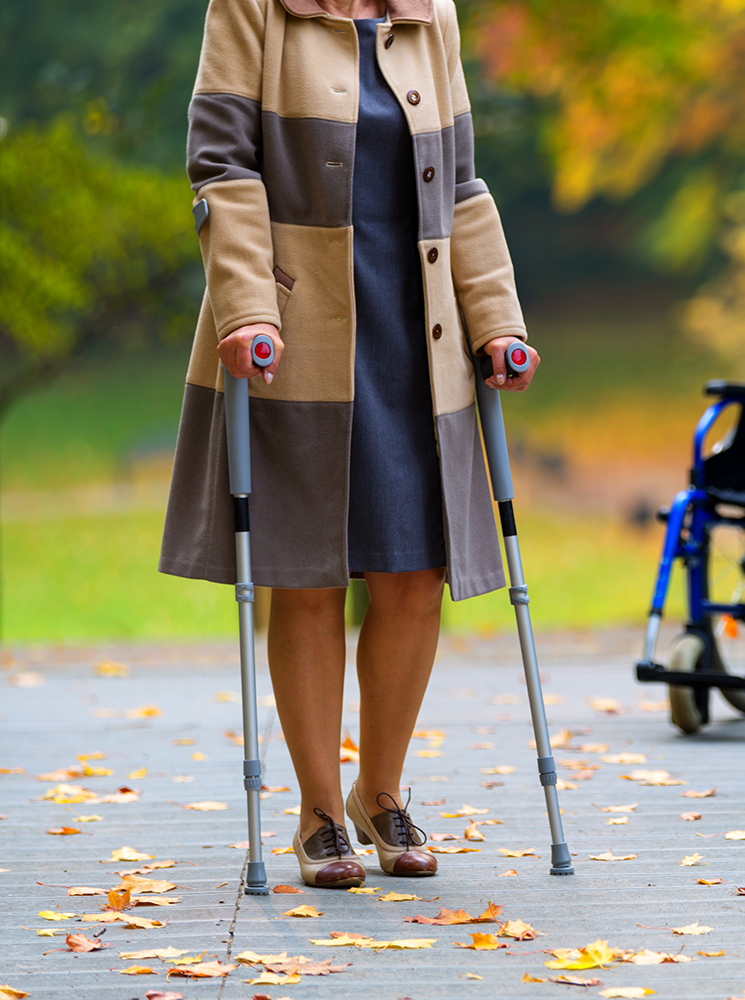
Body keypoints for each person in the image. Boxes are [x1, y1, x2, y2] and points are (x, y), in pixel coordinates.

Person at [159, 0, 534, 888]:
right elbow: (222, 167)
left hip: (417, 329)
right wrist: (249, 304)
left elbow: (465, 186)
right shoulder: (254, 9)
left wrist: (498, 320)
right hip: (297, 326)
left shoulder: (428, 13)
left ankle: (383, 790)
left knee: (414, 572)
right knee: (309, 572)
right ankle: (320, 812)